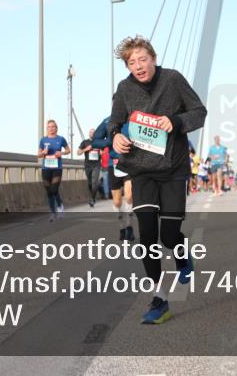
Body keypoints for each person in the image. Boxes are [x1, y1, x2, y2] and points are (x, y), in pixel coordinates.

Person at [109, 36, 206, 325]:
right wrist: (116, 136)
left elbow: (199, 112)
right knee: (148, 238)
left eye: (142, 59)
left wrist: (175, 122)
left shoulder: (173, 79)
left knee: (169, 235)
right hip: (141, 171)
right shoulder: (124, 89)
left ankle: (181, 252)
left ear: (153, 58)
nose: (138, 66)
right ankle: (159, 299)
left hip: (173, 169)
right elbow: (114, 121)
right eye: (131, 62)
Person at [37, 119, 69, 221]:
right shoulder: (43, 140)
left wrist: (61, 153)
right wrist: (43, 153)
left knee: (54, 189)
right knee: (49, 191)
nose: (51, 128)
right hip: (46, 168)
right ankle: (52, 213)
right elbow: (38, 154)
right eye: (49, 127)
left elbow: (68, 150)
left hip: (57, 168)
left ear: (56, 128)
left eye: (53, 126)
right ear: (47, 128)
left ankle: (60, 206)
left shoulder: (61, 139)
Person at [109, 122, 135, 241]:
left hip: (129, 163)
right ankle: (122, 227)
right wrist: (111, 141)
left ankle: (129, 226)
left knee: (129, 196)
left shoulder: (133, 121)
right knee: (117, 201)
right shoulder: (108, 122)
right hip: (113, 164)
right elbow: (96, 141)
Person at [82, 125, 105, 207]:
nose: (92, 133)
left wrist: (101, 152)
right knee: (90, 183)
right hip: (88, 165)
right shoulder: (85, 142)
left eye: (93, 132)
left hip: (96, 165)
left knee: (95, 182)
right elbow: (78, 152)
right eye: (90, 132)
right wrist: (86, 149)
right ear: (89, 134)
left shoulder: (98, 142)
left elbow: (103, 152)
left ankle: (92, 199)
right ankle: (92, 197)